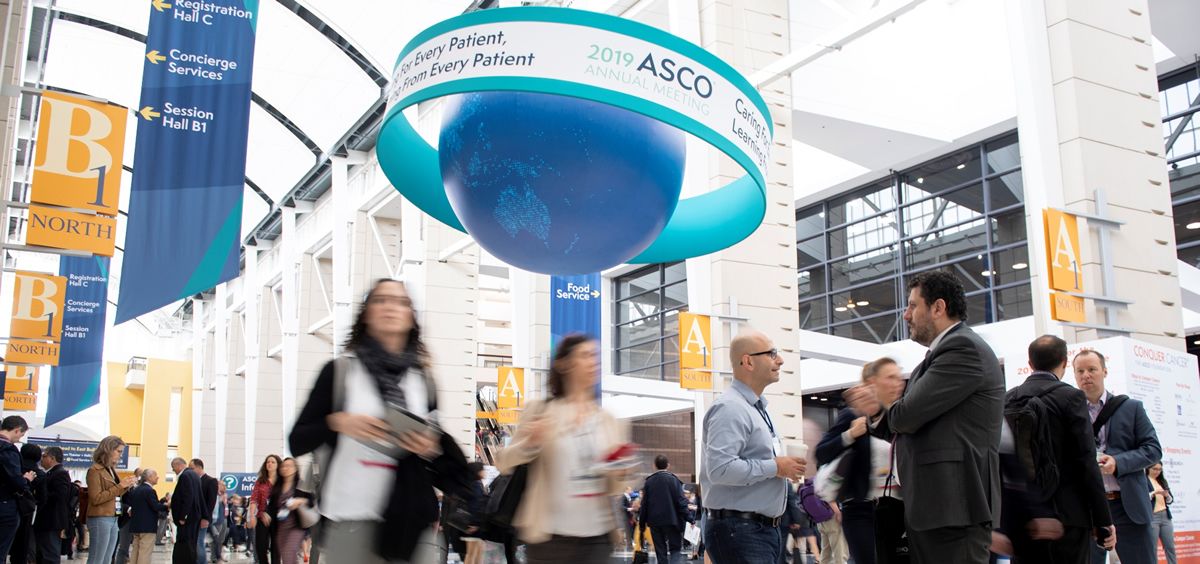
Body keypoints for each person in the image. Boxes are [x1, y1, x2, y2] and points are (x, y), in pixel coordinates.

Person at [289, 279, 472, 564]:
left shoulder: (423, 381)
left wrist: (428, 447)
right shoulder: (340, 372)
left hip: (411, 523)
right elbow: (297, 440)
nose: (390, 307)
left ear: (411, 317)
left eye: (401, 302)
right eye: (380, 300)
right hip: (351, 519)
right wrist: (337, 423)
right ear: (366, 314)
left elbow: (437, 449)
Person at [844, 270, 1003, 564]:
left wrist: (883, 404)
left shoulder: (962, 349)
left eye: (913, 306)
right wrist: (877, 412)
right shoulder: (934, 358)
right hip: (938, 509)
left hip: (953, 509)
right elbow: (901, 422)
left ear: (938, 307)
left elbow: (905, 416)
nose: (906, 315)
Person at [496, 334, 631, 564]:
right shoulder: (540, 410)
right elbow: (503, 462)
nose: (593, 362)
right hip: (550, 537)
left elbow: (614, 487)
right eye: (585, 355)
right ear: (564, 364)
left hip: (598, 537)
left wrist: (620, 472)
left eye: (595, 356)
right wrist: (530, 443)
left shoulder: (608, 420)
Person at [997, 336, 1114, 563]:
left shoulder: (1008, 398)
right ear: (1064, 362)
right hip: (1068, 516)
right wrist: (1103, 520)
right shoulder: (1071, 397)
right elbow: (1086, 460)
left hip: (1024, 518)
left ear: (1030, 364)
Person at [700, 328, 805, 564]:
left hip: (758, 530)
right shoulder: (730, 408)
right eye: (772, 353)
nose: (780, 360)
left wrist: (781, 468)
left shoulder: (756, 409)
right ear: (748, 361)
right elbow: (720, 469)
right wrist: (775, 467)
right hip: (740, 530)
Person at [1074, 349, 1162, 564]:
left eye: (1092, 369)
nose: (1086, 375)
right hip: (1087, 507)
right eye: (1080, 371)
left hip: (1127, 504)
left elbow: (1153, 449)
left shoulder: (1131, 408)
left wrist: (1118, 462)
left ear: (1104, 371)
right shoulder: (1069, 412)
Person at [817, 357, 904, 564]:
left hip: (897, 507)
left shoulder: (897, 416)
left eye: (899, 378)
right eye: (890, 377)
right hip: (860, 509)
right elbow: (821, 453)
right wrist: (850, 435)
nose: (898, 383)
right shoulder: (852, 415)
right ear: (871, 383)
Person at [85, 436, 137, 564]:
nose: (120, 455)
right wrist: (120, 486)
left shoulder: (110, 470)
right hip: (100, 517)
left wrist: (126, 486)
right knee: (97, 559)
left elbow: (114, 494)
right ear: (108, 450)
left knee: (107, 559)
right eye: (118, 451)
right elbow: (96, 498)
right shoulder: (94, 471)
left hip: (113, 517)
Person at [639, 455, 690, 564]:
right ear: (668, 465)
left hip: (655, 522)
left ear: (654, 466)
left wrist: (642, 524)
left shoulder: (649, 482)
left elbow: (644, 505)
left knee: (660, 551)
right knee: (675, 549)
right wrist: (689, 518)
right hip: (673, 521)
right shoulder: (674, 480)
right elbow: (681, 502)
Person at [0, 417, 34, 560]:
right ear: (16, 430)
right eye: (21, 434)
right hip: (5, 504)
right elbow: (16, 481)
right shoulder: (8, 449)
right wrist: (26, 479)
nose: (20, 438)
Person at [267, 458, 312, 564]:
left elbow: (312, 500)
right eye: (283, 466)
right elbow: (272, 506)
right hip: (281, 527)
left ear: (295, 469)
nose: (285, 468)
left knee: (288, 553)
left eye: (289, 466)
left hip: (296, 526)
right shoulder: (277, 486)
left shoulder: (301, 485)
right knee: (287, 557)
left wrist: (301, 501)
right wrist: (267, 514)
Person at [34, 446, 71, 564]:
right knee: (42, 553)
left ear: (52, 458)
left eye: (44, 456)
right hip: (46, 520)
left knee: (50, 554)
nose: (41, 459)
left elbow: (61, 495)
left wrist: (41, 494)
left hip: (52, 520)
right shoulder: (50, 473)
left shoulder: (60, 473)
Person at [13, 442, 46, 564]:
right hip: (28, 512)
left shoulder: (15, 469)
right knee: (22, 545)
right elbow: (43, 497)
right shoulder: (40, 474)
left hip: (10, 507)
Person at [128, 469, 167, 564]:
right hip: (147, 527)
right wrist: (167, 506)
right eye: (155, 475)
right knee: (145, 553)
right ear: (149, 477)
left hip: (136, 526)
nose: (157, 477)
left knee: (135, 552)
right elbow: (155, 506)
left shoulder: (136, 489)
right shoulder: (149, 490)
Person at [248, 455, 281, 564]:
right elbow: (254, 499)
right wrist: (252, 516)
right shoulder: (260, 481)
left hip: (278, 518)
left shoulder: (282, 481)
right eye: (268, 462)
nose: (269, 464)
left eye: (273, 462)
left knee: (276, 549)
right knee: (260, 546)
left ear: (278, 465)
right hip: (262, 517)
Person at [171, 457, 205, 564]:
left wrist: (183, 516)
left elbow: (187, 497)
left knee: (185, 545)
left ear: (178, 465)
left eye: (173, 467)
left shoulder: (185, 476)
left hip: (187, 518)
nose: (173, 470)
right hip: (194, 516)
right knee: (191, 543)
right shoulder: (195, 475)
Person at [189, 460, 218, 564]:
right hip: (193, 517)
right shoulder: (193, 481)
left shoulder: (211, 481)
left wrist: (206, 518)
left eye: (192, 468)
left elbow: (211, 503)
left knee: (199, 542)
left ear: (199, 467)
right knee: (194, 542)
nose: (190, 471)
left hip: (202, 517)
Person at [1147, 463, 1176, 564]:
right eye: (1155, 469)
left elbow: (1170, 500)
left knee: (1170, 546)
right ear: (1148, 468)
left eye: (1160, 469)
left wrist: (1167, 495)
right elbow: (1142, 498)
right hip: (1153, 517)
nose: (1157, 472)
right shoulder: (1144, 480)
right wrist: (1153, 493)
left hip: (1165, 516)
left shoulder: (1162, 481)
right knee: (1152, 547)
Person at [115, 467, 142, 564]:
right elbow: (118, 502)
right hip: (125, 519)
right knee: (123, 546)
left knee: (130, 547)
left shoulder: (142, 488)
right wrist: (128, 509)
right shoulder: (127, 488)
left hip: (136, 520)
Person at [208, 481, 228, 563]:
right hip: (216, 520)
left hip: (223, 518)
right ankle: (214, 557)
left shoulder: (224, 495)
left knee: (221, 539)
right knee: (215, 539)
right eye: (222, 485)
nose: (224, 487)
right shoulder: (214, 495)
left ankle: (219, 555)